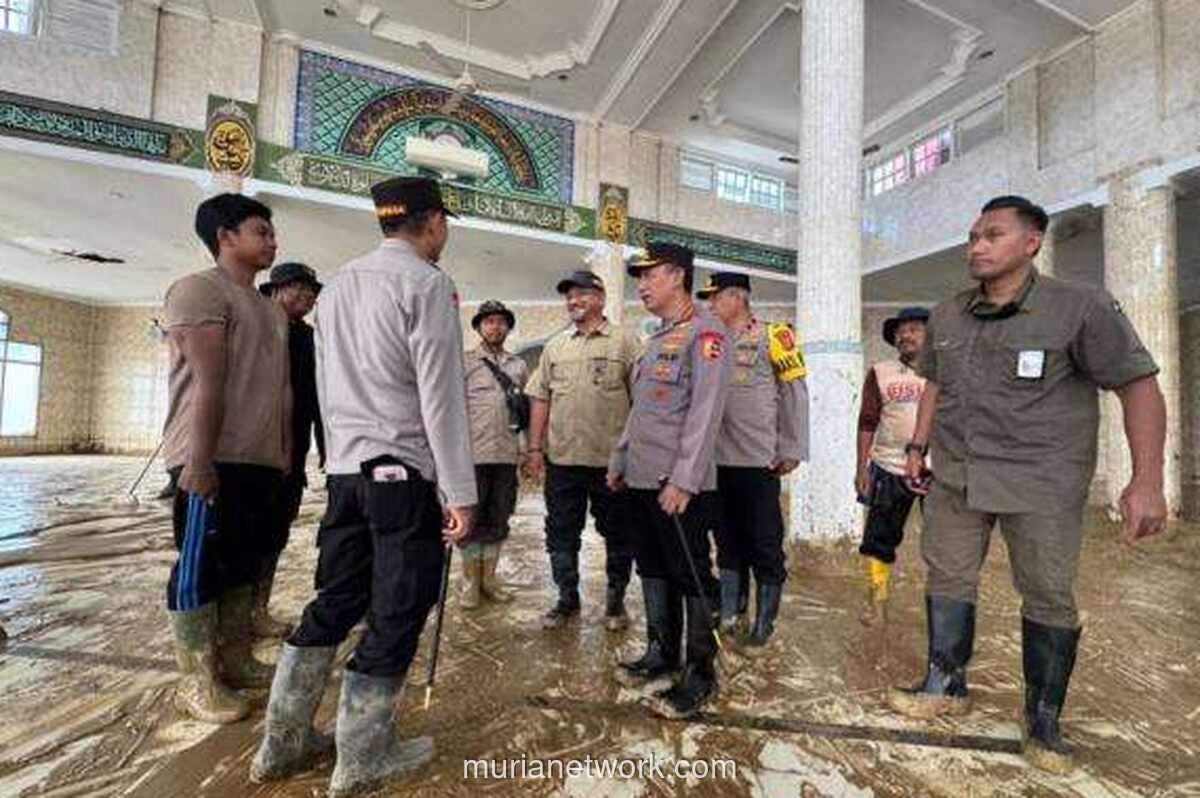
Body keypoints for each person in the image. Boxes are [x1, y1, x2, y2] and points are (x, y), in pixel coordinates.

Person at [887, 195, 1168, 775]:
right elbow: (934, 385)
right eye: (973, 236)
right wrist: (918, 447)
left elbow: (1138, 385)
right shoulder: (949, 315)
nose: (977, 246)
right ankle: (944, 682)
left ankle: (1043, 720)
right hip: (958, 476)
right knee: (947, 573)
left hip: (1041, 481)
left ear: (1032, 242)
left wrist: (1146, 480)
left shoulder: (1080, 308)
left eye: (992, 235)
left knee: (1047, 592)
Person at [251, 177, 476, 797]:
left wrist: (338, 460)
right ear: (432, 223)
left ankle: (282, 744)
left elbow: (326, 388)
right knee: (399, 606)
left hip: (347, 474)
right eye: (444, 223)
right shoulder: (427, 284)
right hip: (401, 474)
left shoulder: (340, 285)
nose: (444, 233)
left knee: (336, 598)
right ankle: (363, 757)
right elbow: (440, 396)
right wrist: (459, 490)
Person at [160, 193, 289, 724]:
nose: (273, 241)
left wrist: (281, 452)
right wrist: (198, 462)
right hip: (210, 457)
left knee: (242, 563)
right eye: (262, 231)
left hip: (257, 460)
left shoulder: (269, 308)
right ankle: (196, 681)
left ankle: (235, 660)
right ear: (225, 236)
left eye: (272, 232)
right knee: (200, 566)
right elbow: (207, 383)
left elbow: (280, 389)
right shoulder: (198, 290)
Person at [608, 243, 732, 719]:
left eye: (649, 275)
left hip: (679, 485)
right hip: (642, 477)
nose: (641, 285)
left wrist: (683, 480)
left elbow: (706, 413)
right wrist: (620, 458)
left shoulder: (707, 333)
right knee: (653, 566)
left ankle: (700, 674)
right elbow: (642, 410)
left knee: (690, 571)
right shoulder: (658, 337)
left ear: (677, 276)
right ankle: (662, 654)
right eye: (638, 277)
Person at [524, 270, 640, 631]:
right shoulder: (555, 347)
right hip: (563, 462)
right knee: (560, 533)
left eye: (582, 294)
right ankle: (566, 599)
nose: (574, 301)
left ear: (600, 298)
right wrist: (534, 449)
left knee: (619, 533)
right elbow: (540, 398)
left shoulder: (625, 343)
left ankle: (615, 602)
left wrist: (636, 455)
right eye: (569, 296)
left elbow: (642, 403)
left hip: (611, 464)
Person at [699, 272, 809, 650]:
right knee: (726, 540)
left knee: (764, 542)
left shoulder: (775, 335)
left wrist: (792, 446)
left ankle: (764, 624)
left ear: (737, 297)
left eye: (715, 297)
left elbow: (794, 392)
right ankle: (732, 611)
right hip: (716, 460)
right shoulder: (710, 342)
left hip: (758, 460)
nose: (710, 304)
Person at [254, 262, 326, 637]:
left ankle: (257, 610)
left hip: (292, 452)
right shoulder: (254, 326)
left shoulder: (309, 338)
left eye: (311, 292)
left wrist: (327, 447)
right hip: (250, 452)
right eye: (299, 288)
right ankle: (232, 617)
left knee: (275, 532)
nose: (307, 297)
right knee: (243, 536)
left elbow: (317, 397)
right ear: (275, 289)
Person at [854, 306, 929, 626]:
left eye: (913, 329)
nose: (905, 335)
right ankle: (878, 602)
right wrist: (862, 468)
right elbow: (867, 422)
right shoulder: (881, 372)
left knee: (945, 541)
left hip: (937, 469)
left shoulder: (948, 371)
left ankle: (941, 609)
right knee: (879, 538)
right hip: (889, 465)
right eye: (900, 331)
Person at [461, 299, 528, 609]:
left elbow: (523, 412)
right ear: (478, 327)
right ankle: (470, 582)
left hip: (505, 455)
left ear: (508, 328)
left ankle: (489, 579)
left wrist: (526, 451)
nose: (495, 327)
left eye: (501, 321)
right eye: (489, 321)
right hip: (472, 455)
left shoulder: (519, 365)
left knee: (498, 518)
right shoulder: (464, 362)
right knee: (470, 519)